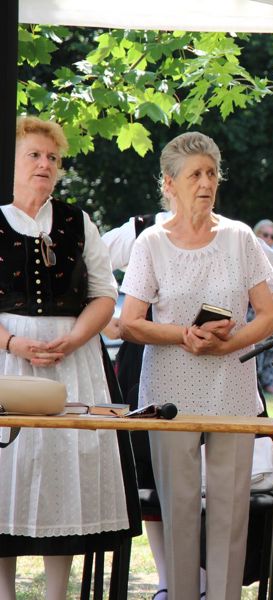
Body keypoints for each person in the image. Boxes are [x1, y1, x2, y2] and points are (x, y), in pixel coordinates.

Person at [118, 131, 273, 600]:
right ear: (169, 184)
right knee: (179, 511)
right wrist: (182, 335)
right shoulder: (151, 242)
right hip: (169, 393)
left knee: (231, 512)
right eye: (195, 175)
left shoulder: (240, 237)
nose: (206, 183)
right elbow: (131, 323)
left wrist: (229, 346)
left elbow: (267, 315)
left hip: (231, 387)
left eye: (212, 173)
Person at [0, 116, 132, 600]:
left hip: (72, 361)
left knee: (65, 469)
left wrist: (75, 338)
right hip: (5, 360)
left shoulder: (79, 221)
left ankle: (57, 593)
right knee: (5, 471)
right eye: (34, 155)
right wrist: (11, 343)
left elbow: (104, 294)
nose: (45, 164)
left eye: (52, 157)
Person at [252, 219, 273, 393]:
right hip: (253, 310)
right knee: (255, 346)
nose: (269, 239)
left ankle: (269, 383)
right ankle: (254, 381)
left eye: (272, 236)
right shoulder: (249, 256)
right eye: (265, 235)